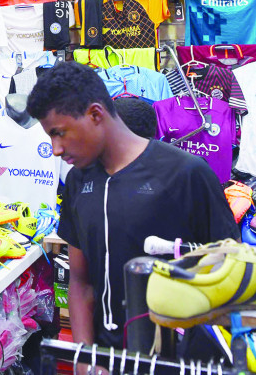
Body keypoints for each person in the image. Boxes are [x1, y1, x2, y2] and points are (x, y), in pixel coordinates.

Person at [27, 62, 238, 349]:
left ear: (95, 114)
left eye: (60, 133)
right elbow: (80, 281)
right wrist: (86, 357)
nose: (56, 149)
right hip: (108, 357)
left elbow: (231, 273)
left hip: (178, 358)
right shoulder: (78, 181)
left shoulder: (187, 174)